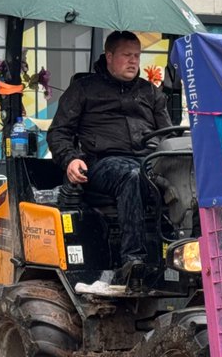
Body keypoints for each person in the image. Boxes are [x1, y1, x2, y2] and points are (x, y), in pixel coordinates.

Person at [48, 30, 171, 287]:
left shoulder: (151, 92)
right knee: (132, 175)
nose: (133, 61)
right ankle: (133, 261)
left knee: (189, 173)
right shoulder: (83, 89)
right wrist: (70, 159)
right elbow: (59, 132)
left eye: (137, 55)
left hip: (148, 160)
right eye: (127, 55)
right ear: (109, 56)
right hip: (101, 164)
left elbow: (167, 134)